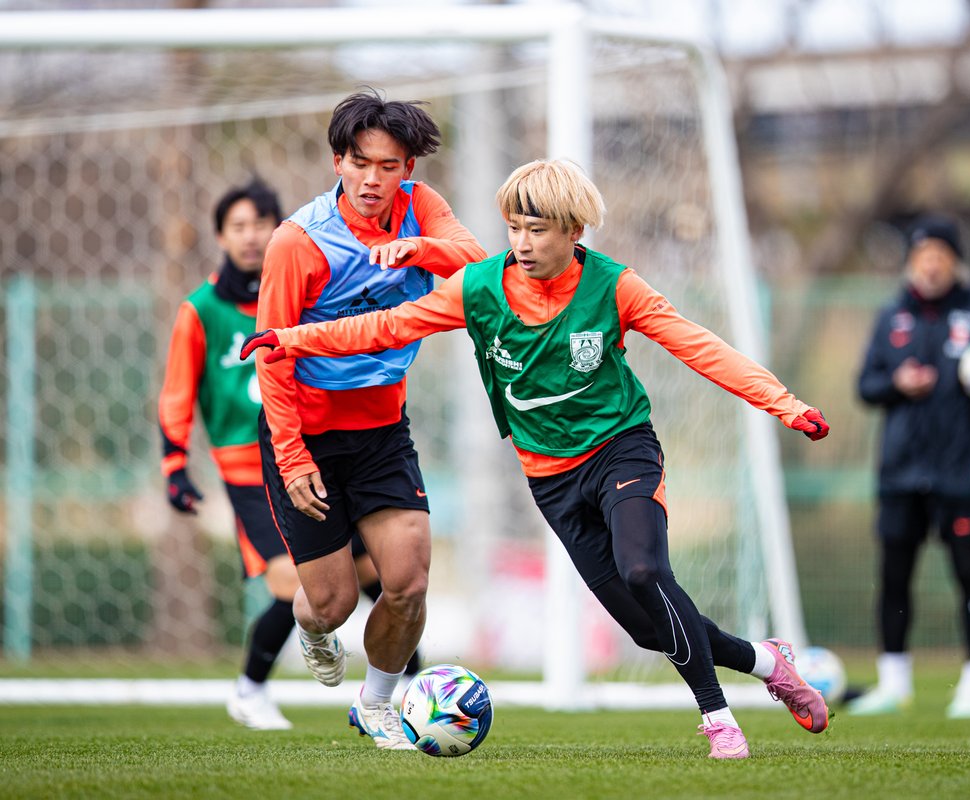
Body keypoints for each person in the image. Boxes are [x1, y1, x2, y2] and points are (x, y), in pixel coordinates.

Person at [243, 158, 832, 759]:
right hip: (550, 477)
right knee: (645, 625)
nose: (522, 243)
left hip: (621, 449)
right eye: (514, 228)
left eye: (538, 229)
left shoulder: (614, 286)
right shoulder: (479, 288)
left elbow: (700, 347)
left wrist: (785, 405)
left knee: (646, 572)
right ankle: (769, 663)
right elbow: (386, 328)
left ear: (574, 231)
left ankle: (718, 718)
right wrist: (290, 338)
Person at [254, 90, 485, 749]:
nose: (373, 180)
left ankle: (378, 703)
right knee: (331, 603)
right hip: (307, 435)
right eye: (360, 164)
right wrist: (293, 454)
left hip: (383, 432)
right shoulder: (298, 242)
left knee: (408, 580)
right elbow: (272, 354)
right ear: (338, 161)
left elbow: (473, 262)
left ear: (408, 168)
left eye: (389, 166)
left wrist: (418, 251)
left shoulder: (421, 209)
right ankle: (312, 627)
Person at [158, 178, 417, 731]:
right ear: (221, 236)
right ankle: (249, 688)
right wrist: (173, 463)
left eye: (261, 225)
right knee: (289, 582)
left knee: (377, 572)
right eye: (238, 227)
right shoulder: (201, 309)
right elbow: (177, 390)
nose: (251, 238)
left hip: (325, 452)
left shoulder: (304, 290)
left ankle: (407, 682)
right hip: (252, 467)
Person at [851, 214, 970, 719]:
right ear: (911, 263)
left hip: (965, 473)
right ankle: (894, 683)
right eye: (922, 256)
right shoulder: (892, 318)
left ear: (956, 262)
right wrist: (899, 382)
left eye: (940, 255)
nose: (930, 265)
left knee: (968, 572)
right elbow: (866, 386)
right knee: (894, 577)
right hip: (901, 473)